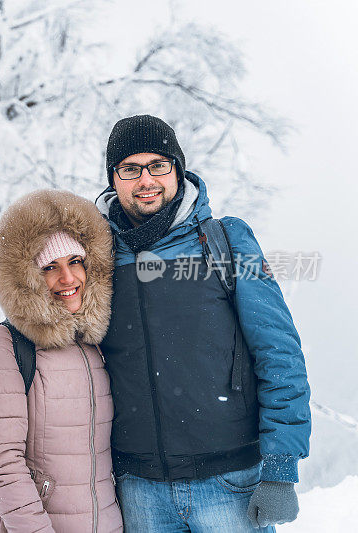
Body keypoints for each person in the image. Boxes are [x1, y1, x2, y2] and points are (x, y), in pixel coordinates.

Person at [95, 114, 311, 531]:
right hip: (138, 491)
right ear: (113, 178)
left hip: (229, 484)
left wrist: (282, 467)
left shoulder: (225, 242)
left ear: (178, 169)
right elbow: (47, 343)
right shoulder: (94, 256)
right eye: (130, 169)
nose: (146, 180)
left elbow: (278, 352)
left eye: (159, 165)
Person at [0, 189, 123, 532]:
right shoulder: (3, 344)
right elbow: (2, 462)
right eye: (50, 267)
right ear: (27, 279)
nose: (68, 279)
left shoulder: (98, 346)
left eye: (75, 262)